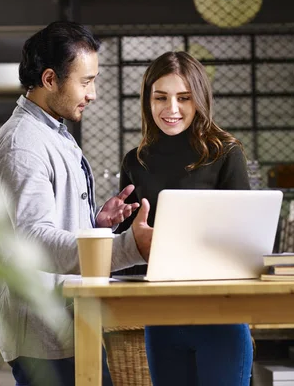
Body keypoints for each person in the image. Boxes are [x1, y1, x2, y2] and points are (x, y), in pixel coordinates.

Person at [0, 21, 153, 386]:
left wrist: (94, 226)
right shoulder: (23, 144)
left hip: (67, 324)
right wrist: (129, 246)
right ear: (49, 79)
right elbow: (34, 240)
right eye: (86, 81)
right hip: (43, 337)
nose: (92, 94)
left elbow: (48, 224)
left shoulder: (53, 132)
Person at [115, 51, 253, 386]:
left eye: (184, 98)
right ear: (148, 100)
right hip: (160, 316)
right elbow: (127, 249)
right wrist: (114, 226)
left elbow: (248, 241)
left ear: (199, 100)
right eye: (160, 97)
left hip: (220, 315)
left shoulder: (225, 152)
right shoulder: (136, 161)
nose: (171, 109)